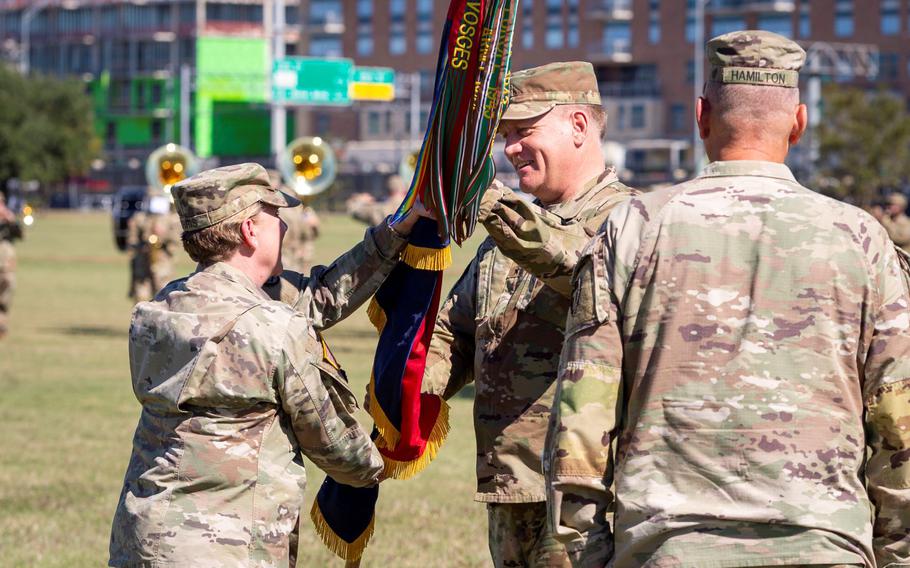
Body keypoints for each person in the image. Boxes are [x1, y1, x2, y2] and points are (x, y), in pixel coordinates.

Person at [545, 30, 910, 567]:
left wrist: (585, 554)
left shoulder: (635, 227)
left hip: (668, 548)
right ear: (799, 123)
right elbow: (897, 421)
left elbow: (581, 416)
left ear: (701, 116)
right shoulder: (862, 238)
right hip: (824, 545)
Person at [109, 163, 426, 567]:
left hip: (143, 538)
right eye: (276, 216)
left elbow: (316, 297)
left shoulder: (158, 311)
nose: (286, 227)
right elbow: (333, 443)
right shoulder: (272, 328)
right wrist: (384, 458)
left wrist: (395, 232)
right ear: (249, 231)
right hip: (226, 547)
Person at [422, 61, 636, 567]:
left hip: (588, 493)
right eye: (506, 135)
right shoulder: (505, 239)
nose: (510, 148)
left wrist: (489, 202)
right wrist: (408, 389)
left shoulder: (631, 222)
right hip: (512, 487)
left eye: (524, 131)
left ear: (579, 126)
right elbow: (454, 334)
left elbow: (576, 265)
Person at [125, 189, 182, 302]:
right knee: (141, 295)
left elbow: (177, 240)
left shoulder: (171, 218)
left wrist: (164, 235)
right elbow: (132, 241)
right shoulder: (139, 217)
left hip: (162, 262)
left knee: (163, 294)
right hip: (142, 261)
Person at [267, 169, 321, 273]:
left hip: (301, 257)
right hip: (286, 257)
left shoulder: (302, 205)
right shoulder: (279, 207)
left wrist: (313, 225)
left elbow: (314, 232)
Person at [0, 192, 22, 340]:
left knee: (5, 297)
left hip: (6, 267)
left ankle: (2, 325)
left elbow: (20, 235)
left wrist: (11, 220)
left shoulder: (8, 221)